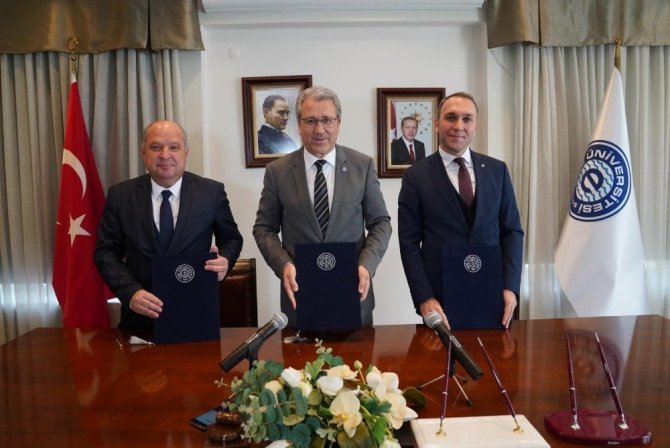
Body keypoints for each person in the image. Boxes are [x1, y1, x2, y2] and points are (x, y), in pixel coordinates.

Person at [254, 86, 392, 327]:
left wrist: (366, 265)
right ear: (299, 124)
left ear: (338, 123)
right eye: (310, 121)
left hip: (353, 295)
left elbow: (381, 223)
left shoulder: (362, 166)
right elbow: (264, 228)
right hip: (300, 298)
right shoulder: (278, 171)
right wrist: (283, 264)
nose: (319, 129)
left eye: (327, 120)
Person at [94, 120, 243, 330]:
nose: (165, 155)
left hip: (196, 314)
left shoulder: (211, 193)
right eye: (156, 147)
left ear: (186, 153)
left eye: (174, 147)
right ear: (143, 153)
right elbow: (105, 252)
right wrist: (130, 292)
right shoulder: (121, 196)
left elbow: (232, 239)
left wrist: (225, 260)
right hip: (140, 318)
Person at [398, 92, 523, 329]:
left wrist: (511, 287)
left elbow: (512, 232)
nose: (459, 126)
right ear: (437, 124)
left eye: (467, 119)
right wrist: (424, 297)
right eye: (451, 118)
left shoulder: (497, 171)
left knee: (497, 354)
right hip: (441, 300)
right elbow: (409, 243)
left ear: (475, 126)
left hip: (494, 294)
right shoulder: (415, 176)